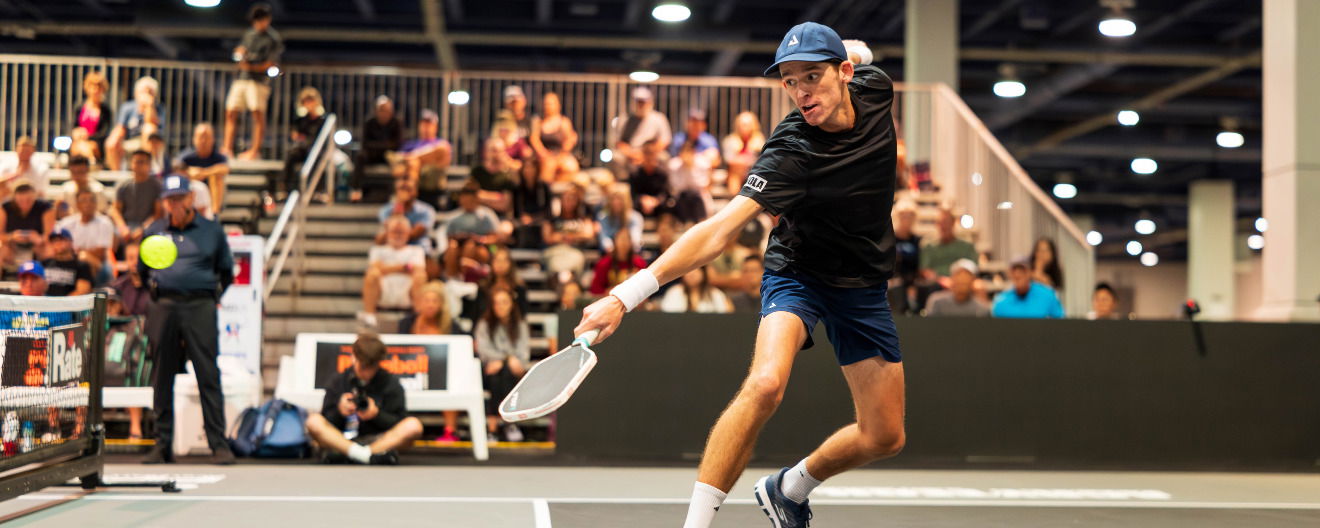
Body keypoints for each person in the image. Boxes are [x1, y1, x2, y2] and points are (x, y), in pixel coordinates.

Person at [575, 23, 905, 528]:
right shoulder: (790, 151)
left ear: (845, 74)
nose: (800, 92)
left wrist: (852, 54)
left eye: (811, 76)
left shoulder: (875, 86)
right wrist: (625, 295)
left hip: (863, 284)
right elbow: (718, 231)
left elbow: (860, 55)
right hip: (799, 273)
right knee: (767, 383)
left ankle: (789, 488)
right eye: (790, 81)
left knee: (884, 436)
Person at [139, 174, 236, 465]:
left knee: (207, 373)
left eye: (180, 197)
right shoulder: (154, 231)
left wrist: (208, 296)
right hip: (164, 305)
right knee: (162, 374)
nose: (175, 203)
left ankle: (218, 445)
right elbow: (143, 272)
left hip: (200, 305)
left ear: (191, 198)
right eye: (170, 199)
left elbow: (226, 272)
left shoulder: (211, 231)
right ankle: (162, 444)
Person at [304, 332, 423, 465]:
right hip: (341, 439)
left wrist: (376, 414)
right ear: (354, 358)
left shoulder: (390, 383)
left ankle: (355, 455)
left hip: (378, 440)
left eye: (370, 367)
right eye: (363, 366)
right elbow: (325, 420)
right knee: (313, 421)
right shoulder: (338, 381)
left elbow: (400, 422)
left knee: (413, 425)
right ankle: (365, 456)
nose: (366, 372)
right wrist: (340, 411)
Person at [396, 281, 461, 442]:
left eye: (435, 301)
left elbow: (460, 350)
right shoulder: (407, 323)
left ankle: (450, 431)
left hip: (441, 373)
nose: (431, 305)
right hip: (411, 370)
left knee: (452, 382)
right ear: (420, 303)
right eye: (427, 300)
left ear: (441, 304)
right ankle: (396, 429)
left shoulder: (451, 325)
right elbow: (397, 351)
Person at [222, 2, 283, 160]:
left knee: (257, 114)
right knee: (231, 111)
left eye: (261, 20)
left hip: (259, 81)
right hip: (242, 79)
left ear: (267, 19)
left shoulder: (273, 39)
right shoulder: (249, 34)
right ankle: (227, 148)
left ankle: (254, 150)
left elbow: (270, 64)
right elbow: (241, 51)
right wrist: (240, 53)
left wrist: (250, 67)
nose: (259, 24)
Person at [473, 287, 530, 442]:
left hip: (514, 371)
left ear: (512, 304)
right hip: (491, 370)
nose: (500, 306)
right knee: (497, 374)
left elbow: (523, 353)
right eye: (496, 303)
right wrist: (507, 358)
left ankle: (492, 429)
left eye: (504, 302)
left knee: (504, 372)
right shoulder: (484, 324)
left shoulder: (520, 325)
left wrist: (506, 361)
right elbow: (484, 351)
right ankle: (509, 423)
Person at [359, 215, 428, 330]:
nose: (397, 235)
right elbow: (374, 268)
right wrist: (404, 267)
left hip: (408, 291)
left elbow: (418, 269)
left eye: (401, 232)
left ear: (408, 233)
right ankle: (369, 316)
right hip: (383, 291)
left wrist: (386, 268)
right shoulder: (377, 250)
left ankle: (419, 317)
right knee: (372, 275)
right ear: (387, 233)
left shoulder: (416, 250)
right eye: (394, 232)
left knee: (420, 277)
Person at [56, 189, 116, 286]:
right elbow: (56, 244)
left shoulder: (105, 223)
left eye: (91, 200)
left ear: (96, 204)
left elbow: (101, 253)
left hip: (98, 263)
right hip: (69, 261)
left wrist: (77, 252)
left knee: (85, 259)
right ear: (77, 204)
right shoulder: (66, 223)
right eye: (83, 200)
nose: (88, 203)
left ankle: (89, 291)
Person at [609, 87, 671, 179]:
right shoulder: (624, 119)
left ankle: (660, 185)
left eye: (644, 102)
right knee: (616, 157)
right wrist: (632, 154)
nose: (641, 105)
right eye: (638, 102)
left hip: (651, 152)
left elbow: (664, 141)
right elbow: (619, 142)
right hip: (630, 153)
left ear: (650, 102)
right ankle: (624, 183)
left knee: (664, 157)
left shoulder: (658, 118)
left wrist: (646, 154)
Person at [351, 95, 404, 203]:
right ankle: (356, 190)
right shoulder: (369, 123)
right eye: (382, 110)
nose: (384, 113)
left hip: (389, 156)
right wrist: (385, 145)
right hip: (373, 155)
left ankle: (398, 194)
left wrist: (381, 146)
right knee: (360, 156)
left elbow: (397, 144)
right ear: (376, 111)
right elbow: (365, 144)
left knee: (399, 160)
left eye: (387, 110)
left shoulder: (396, 123)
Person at [278, 86, 327, 200]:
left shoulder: (323, 120)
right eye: (306, 101)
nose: (308, 103)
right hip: (303, 150)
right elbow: (296, 136)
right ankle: (283, 188)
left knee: (317, 158)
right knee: (291, 155)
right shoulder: (300, 120)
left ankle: (318, 191)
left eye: (311, 100)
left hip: (317, 151)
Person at [395, 109, 452, 206]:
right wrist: (424, 159)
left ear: (436, 127)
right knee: (409, 165)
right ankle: (409, 193)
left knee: (440, 150)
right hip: (415, 178)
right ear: (419, 126)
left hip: (433, 179)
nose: (426, 127)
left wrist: (413, 157)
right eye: (424, 124)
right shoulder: (410, 144)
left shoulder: (440, 143)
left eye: (429, 124)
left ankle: (409, 192)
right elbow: (397, 162)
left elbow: (444, 154)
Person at [104, 76, 163, 170]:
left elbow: (152, 124)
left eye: (150, 92)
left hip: (151, 141)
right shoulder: (127, 107)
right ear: (136, 93)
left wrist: (149, 106)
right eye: (144, 91)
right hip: (130, 139)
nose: (146, 95)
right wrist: (115, 139)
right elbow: (121, 127)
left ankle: (147, 171)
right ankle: (116, 176)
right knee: (112, 140)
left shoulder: (158, 108)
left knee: (149, 129)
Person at [541, 184, 596, 274]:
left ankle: (566, 281)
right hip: (555, 251)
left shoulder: (583, 219)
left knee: (576, 259)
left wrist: (568, 236)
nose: (569, 202)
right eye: (566, 199)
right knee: (555, 263)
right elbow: (548, 238)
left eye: (572, 199)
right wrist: (570, 236)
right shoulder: (551, 219)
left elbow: (589, 234)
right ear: (561, 201)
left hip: (575, 251)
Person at [110, 150, 162, 245]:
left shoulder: (156, 186)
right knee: (112, 237)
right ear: (131, 164)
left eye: (143, 162)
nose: (139, 165)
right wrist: (123, 228)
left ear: (149, 165)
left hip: (148, 226)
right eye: (136, 162)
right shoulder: (123, 185)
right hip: (126, 225)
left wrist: (142, 229)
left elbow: (158, 214)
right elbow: (115, 210)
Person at [176, 123, 230, 215]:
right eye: (201, 137)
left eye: (207, 137)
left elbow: (225, 169)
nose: (204, 141)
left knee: (217, 178)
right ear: (194, 139)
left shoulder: (219, 157)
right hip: (190, 192)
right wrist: (191, 174)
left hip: (211, 194)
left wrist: (203, 173)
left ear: (213, 140)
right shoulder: (186, 156)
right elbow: (177, 170)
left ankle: (214, 215)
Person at [0, 184, 56, 267]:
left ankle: (48, 276)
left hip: (37, 246)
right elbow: (1, 235)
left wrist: (39, 239)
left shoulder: (46, 208)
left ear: (34, 197)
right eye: (20, 201)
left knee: (49, 251)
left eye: (28, 200)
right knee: (2, 249)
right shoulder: (5, 208)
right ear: (14, 198)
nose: (25, 204)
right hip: (12, 246)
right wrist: (12, 237)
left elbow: (48, 235)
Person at [530, 92, 580, 184]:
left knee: (571, 167)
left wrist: (562, 155)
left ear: (558, 105)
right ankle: (545, 193)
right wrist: (543, 153)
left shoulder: (564, 122)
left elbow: (569, 139)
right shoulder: (538, 122)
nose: (547, 106)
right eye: (546, 104)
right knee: (548, 165)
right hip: (544, 155)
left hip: (561, 155)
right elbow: (534, 140)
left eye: (550, 103)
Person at [991, 258, 1065, 319]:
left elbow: (1060, 321)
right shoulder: (1001, 301)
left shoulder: (1047, 295)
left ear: (1029, 273)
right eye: (1014, 271)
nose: (1017, 275)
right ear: (1010, 275)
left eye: (1022, 271)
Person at [919, 208, 977, 283]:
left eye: (947, 222)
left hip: (962, 282)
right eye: (941, 222)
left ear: (953, 223)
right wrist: (941, 280)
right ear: (937, 224)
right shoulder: (928, 245)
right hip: (936, 283)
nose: (944, 226)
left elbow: (972, 267)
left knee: (979, 286)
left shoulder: (966, 245)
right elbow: (925, 270)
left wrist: (957, 281)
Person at [375, 178, 436, 249]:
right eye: (401, 189)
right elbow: (390, 231)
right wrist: (399, 207)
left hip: (418, 249)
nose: (404, 192)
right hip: (393, 250)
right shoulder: (385, 210)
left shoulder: (426, 210)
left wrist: (396, 230)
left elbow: (414, 234)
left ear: (416, 191)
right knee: (379, 241)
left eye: (408, 189)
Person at [70, 72, 113, 164]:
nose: (95, 90)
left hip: (97, 144)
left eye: (99, 87)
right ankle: (90, 162)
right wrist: (77, 132)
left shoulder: (105, 110)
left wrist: (88, 136)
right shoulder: (79, 107)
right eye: (93, 86)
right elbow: (73, 127)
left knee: (85, 146)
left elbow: (104, 132)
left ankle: (89, 162)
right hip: (79, 142)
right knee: (79, 146)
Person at [467, 138, 519, 215]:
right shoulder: (477, 172)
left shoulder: (509, 175)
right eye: (493, 150)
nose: (496, 154)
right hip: (476, 214)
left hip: (500, 218)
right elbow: (471, 197)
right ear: (485, 152)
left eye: (499, 151)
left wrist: (482, 196)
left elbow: (504, 205)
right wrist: (497, 196)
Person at [589, 229, 647, 296]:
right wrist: (607, 292)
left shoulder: (639, 263)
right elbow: (595, 289)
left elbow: (645, 288)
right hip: (610, 300)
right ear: (615, 242)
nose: (623, 243)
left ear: (631, 243)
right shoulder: (604, 263)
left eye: (626, 240)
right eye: (621, 240)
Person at [721, 111, 766, 195]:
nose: (743, 127)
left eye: (746, 124)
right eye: (741, 124)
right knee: (736, 171)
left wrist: (742, 160)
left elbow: (762, 160)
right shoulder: (730, 140)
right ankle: (734, 198)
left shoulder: (759, 141)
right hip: (736, 174)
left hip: (754, 172)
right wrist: (746, 160)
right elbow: (729, 160)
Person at [510, 156, 551, 248]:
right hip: (523, 221)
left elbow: (548, 211)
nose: (528, 170)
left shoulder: (544, 187)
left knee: (546, 226)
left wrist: (533, 218)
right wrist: (524, 218)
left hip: (540, 219)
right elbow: (516, 211)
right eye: (526, 167)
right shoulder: (518, 188)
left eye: (531, 167)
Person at [889, 201, 920, 314]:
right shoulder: (890, 239)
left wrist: (913, 285)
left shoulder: (917, 240)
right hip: (892, 281)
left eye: (910, 216)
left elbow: (918, 266)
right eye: (903, 216)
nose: (906, 220)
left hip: (911, 282)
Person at [41, 229, 93, 296]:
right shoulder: (44, 263)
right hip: (45, 301)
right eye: (54, 240)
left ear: (71, 242)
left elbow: (83, 290)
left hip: (70, 304)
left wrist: (62, 303)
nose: (58, 243)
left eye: (62, 239)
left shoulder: (81, 266)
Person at [660, 266, 732, 313]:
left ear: (703, 273)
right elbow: (668, 316)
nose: (691, 274)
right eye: (688, 271)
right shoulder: (674, 292)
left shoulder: (715, 294)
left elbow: (724, 317)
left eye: (696, 271)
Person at [596, 185, 643, 255]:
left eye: (620, 199)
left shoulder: (635, 217)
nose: (616, 202)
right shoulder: (602, 217)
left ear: (626, 200)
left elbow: (636, 239)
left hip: (630, 254)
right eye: (613, 199)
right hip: (610, 255)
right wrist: (614, 251)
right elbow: (604, 239)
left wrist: (625, 249)